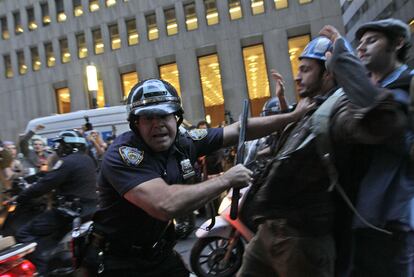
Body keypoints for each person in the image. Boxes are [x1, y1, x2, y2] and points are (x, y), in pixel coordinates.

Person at [86, 78, 313, 276]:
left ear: (176, 117)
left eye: (164, 115)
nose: (158, 124)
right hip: (118, 262)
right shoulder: (124, 154)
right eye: (148, 118)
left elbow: (238, 130)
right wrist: (225, 180)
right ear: (136, 124)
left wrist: (292, 117)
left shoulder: (185, 141)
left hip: (159, 254)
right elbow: (164, 204)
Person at [237, 32, 406, 277]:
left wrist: (345, 63)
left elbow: (383, 121)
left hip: (303, 240)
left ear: (327, 73)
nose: (297, 76)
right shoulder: (309, 108)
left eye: (306, 69)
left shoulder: (340, 109)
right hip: (268, 231)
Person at [320, 19, 414, 277]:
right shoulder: (363, 87)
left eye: (371, 41)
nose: (361, 48)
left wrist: (342, 59)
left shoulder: (407, 85)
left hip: (392, 217)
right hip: (360, 215)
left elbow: (378, 112)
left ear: (397, 43)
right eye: (358, 43)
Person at [14, 130, 98, 275]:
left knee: (23, 233)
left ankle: (42, 269)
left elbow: (46, 184)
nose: (58, 148)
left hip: (69, 213)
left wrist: (20, 197)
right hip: (87, 210)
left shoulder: (67, 162)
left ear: (69, 146)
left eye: (61, 145)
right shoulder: (87, 159)